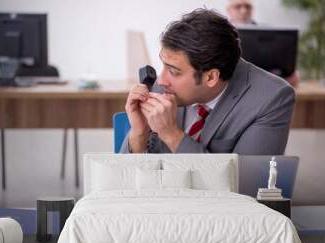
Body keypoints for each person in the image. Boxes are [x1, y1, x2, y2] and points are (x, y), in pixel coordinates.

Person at [120, 9, 295, 155]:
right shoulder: (164, 85)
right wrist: (139, 135)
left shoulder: (271, 98)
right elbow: (121, 177)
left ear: (211, 77)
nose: (161, 80)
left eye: (173, 71)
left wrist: (172, 135)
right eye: (163, 66)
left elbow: (244, 185)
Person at [227, 0, 299, 86]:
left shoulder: (268, 31)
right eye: (238, 7)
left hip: (263, 78)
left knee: (294, 77)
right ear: (229, 10)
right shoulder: (220, 32)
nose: (244, 11)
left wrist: (288, 73)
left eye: (248, 7)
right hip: (232, 79)